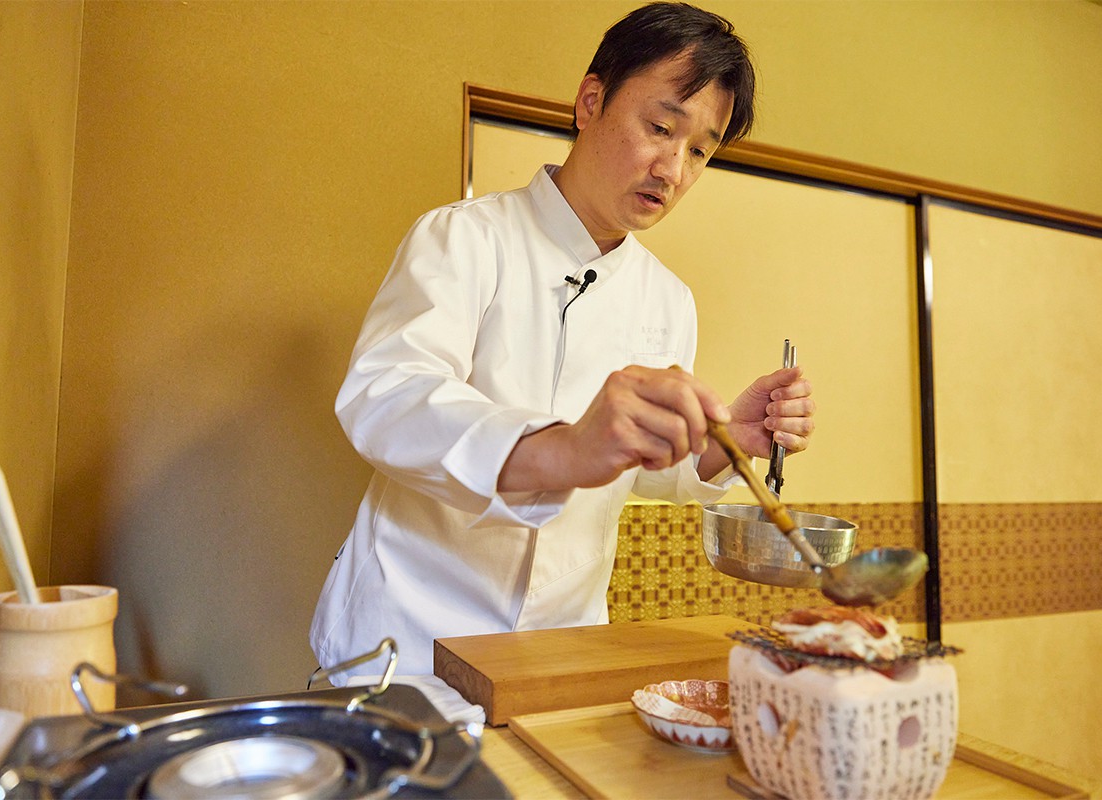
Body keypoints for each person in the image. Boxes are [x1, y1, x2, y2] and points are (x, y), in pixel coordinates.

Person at [311, 1, 815, 679]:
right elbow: (387, 399)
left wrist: (723, 445)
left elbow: (638, 467)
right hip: (406, 641)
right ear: (591, 101)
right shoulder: (465, 237)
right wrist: (562, 449)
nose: (673, 169)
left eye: (700, 150)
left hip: (558, 649)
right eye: (660, 127)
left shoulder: (667, 298)